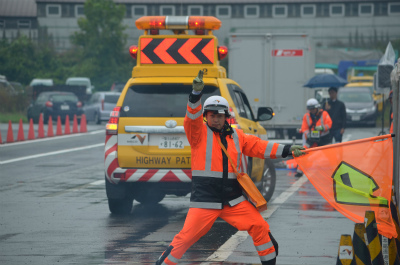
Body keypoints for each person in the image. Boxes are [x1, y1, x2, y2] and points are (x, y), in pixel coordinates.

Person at [154, 71, 305, 265]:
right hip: (205, 201)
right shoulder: (197, 133)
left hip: (233, 200)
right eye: (211, 115)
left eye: (219, 115)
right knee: (184, 239)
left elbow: (260, 147)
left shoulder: (237, 135)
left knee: (259, 226)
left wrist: (287, 150)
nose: (216, 119)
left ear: (226, 116)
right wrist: (195, 95)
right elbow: (191, 117)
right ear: (206, 116)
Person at [295, 98, 332, 177]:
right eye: (310, 109)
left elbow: (329, 124)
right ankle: (299, 171)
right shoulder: (306, 116)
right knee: (303, 153)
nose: (311, 110)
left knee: (331, 155)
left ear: (317, 107)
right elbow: (304, 128)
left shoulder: (324, 114)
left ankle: (334, 171)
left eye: (313, 109)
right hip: (312, 138)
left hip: (324, 138)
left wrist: (322, 128)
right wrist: (308, 135)